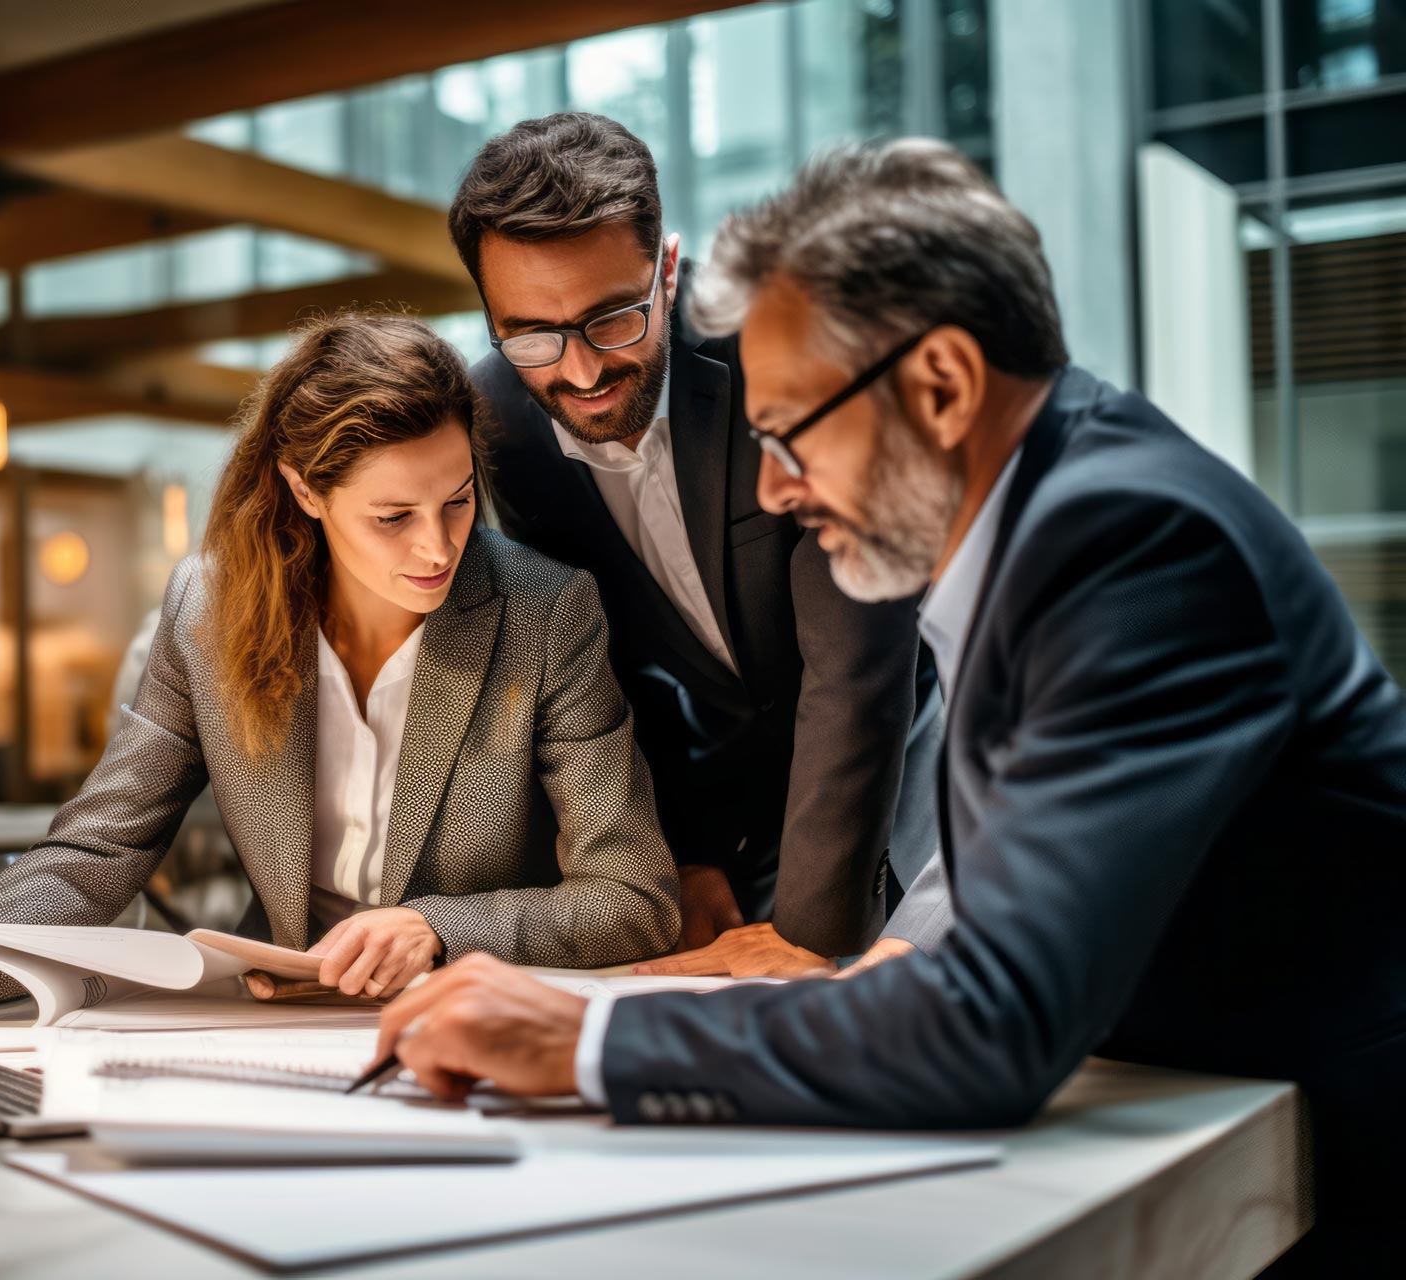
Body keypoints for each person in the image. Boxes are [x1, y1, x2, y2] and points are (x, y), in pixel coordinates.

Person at [377, 139, 1406, 1271]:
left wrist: (587, 1035)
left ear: (944, 386)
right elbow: (1001, 882)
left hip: (1332, 1148)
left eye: (790, 433)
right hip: (1197, 1088)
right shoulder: (1045, 519)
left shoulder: (1127, 546)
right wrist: (888, 960)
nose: (771, 488)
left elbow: (991, 1023)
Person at [0, 312, 679, 1007]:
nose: (439, 546)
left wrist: (438, 929)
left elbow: (633, 898)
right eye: (392, 517)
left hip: (464, 1018)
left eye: (457, 500)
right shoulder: (207, 612)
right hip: (277, 1014)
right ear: (303, 490)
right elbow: (100, 848)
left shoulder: (544, 613)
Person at [452, 113, 944, 973]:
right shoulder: (501, 424)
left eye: (612, 319)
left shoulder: (790, 347)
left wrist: (808, 935)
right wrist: (685, 851)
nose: (578, 373)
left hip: (908, 763)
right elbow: (606, 666)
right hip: (732, 800)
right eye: (531, 334)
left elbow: (858, 666)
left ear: (669, 271)